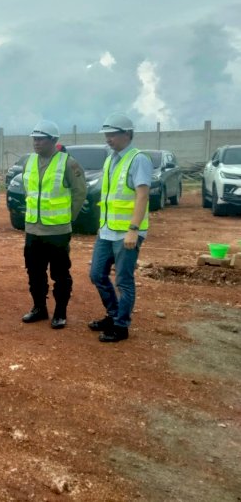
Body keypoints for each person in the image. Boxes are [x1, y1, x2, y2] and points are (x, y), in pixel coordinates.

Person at [88, 113, 151, 343]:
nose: (108, 138)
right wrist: (102, 225)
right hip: (106, 231)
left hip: (127, 233)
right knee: (96, 274)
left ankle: (121, 326)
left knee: (123, 280)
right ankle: (113, 315)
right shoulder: (110, 159)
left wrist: (133, 229)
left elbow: (142, 196)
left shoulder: (138, 159)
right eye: (106, 134)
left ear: (127, 134)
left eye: (112, 134)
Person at [19, 121, 87, 329]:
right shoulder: (29, 162)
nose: (36, 143)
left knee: (60, 274)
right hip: (33, 229)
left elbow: (79, 192)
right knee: (34, 273)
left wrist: (68, 218)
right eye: (34, 139)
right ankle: (39, 308)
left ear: (54, 140)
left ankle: (60, 312)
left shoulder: (68, 163)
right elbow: (28, 190)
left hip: (57, 231)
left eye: (41, 139)